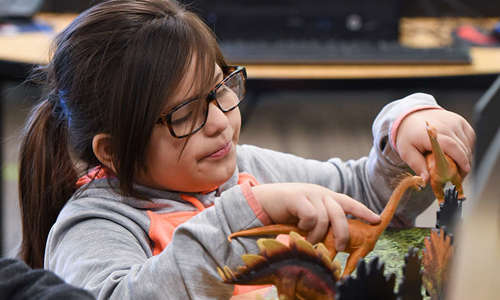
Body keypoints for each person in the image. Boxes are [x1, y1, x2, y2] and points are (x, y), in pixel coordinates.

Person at [17, 0, 475, 299]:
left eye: (222, 89)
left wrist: (403, 133)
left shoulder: (246, 169)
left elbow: (367, 200)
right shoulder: (94, 224)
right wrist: (245, 214)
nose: (220, 122)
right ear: (113, 152)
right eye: (184, 114)